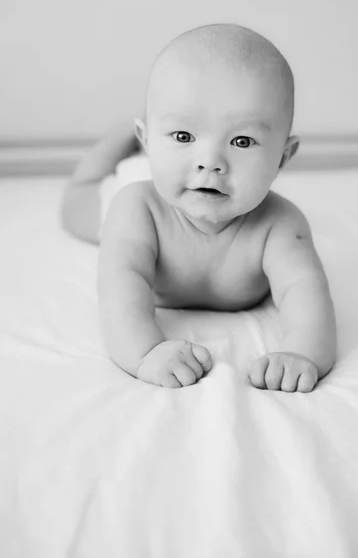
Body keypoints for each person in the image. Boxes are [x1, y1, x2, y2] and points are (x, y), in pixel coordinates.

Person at [61, 23, 337, 392]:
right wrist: (146, 352)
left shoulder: (280, 225)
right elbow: (120, 288)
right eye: (184, 136)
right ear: (149, 139)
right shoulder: (135, 208)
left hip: (175, 174)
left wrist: (303, 354)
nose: (210, 161)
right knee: (78, 208)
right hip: (154, 186)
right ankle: (120, 140)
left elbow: (305, 293)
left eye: (242, 141)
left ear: (283, 156)